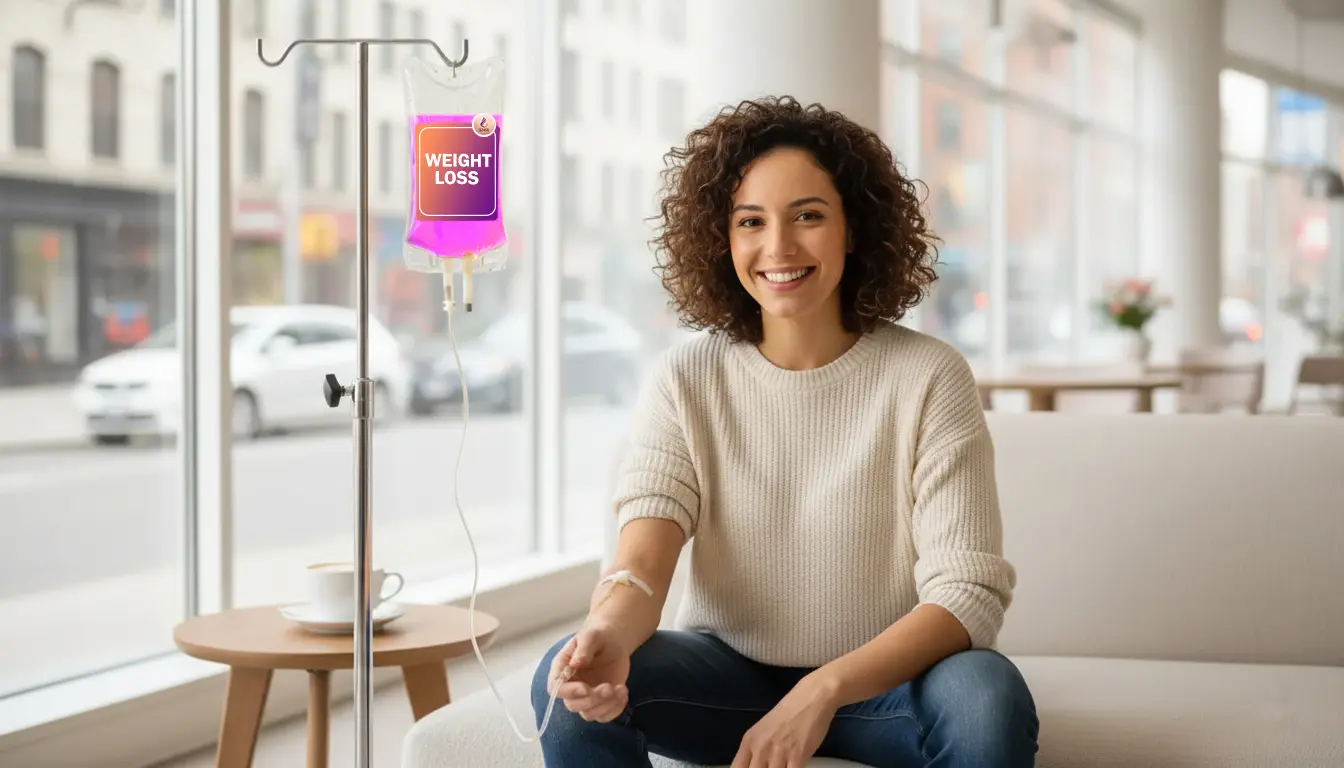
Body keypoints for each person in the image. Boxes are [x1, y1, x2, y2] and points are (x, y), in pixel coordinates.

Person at [530, 96, 1038, 768]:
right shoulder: (687, 378)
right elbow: (642, 565)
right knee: (561, 681)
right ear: (724, 238)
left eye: (808, 215)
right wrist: (606, 632)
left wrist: (822, 690)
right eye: (751, 221)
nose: (779, 247)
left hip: (885, 687)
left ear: (853, 227)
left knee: (986, 696)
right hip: (726, 680)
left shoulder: (929, 375)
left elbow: (965, 594)